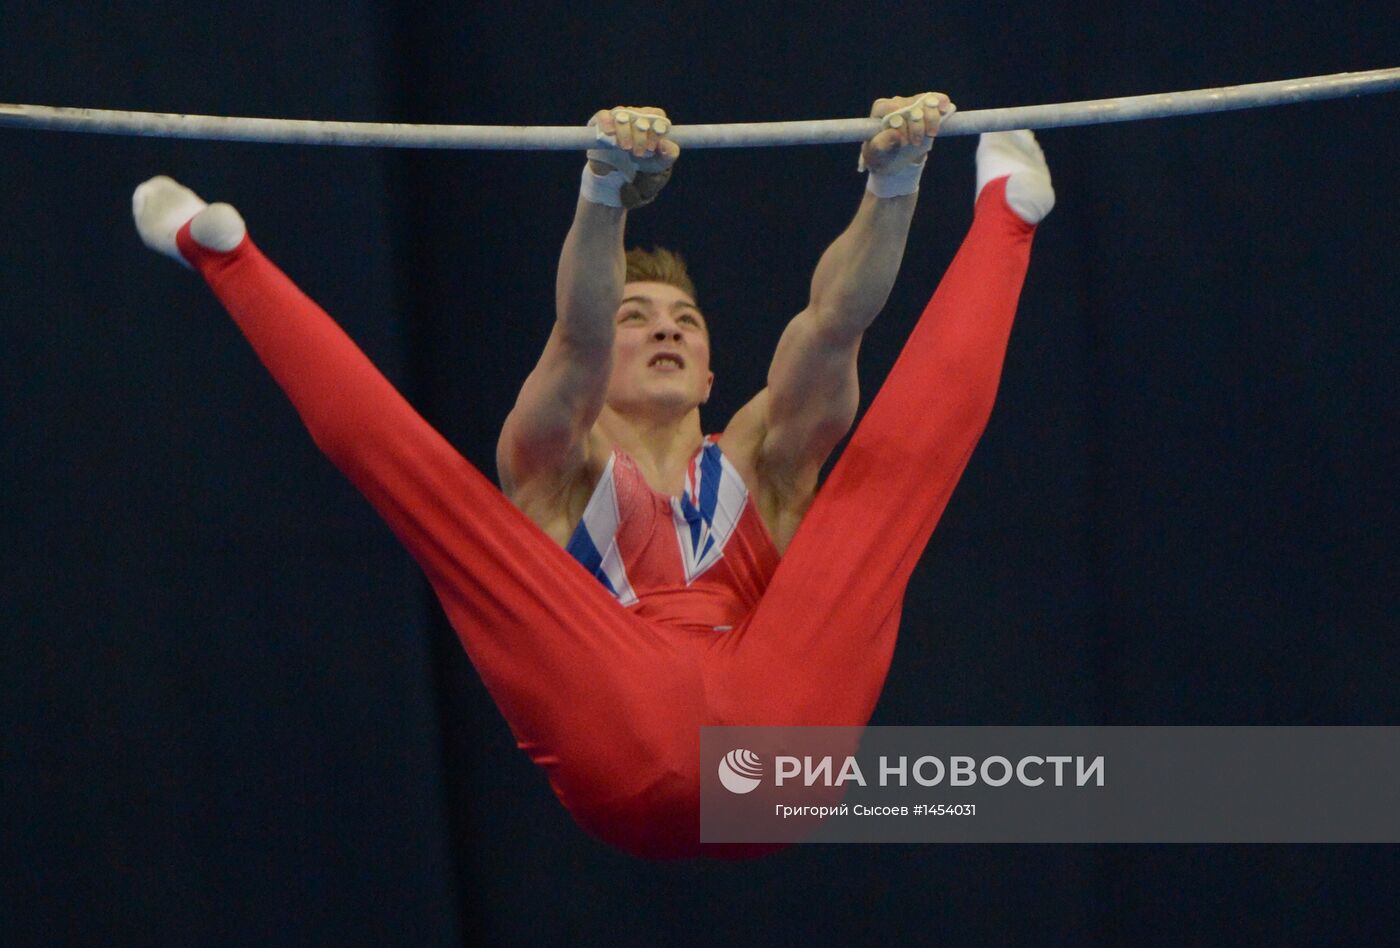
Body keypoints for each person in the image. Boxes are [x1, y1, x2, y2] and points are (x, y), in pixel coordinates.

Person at [131, 94, 1054, 859]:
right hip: (625, 735)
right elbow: (577, 338)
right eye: (640, 316)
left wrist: (893, 185)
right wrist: (604, 191)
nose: (666, 331)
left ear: (709, 375)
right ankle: (226, 257)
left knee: (883, 485)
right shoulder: (556, 466)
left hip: (781, 742)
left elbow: (833, 322)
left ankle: (1005, 215)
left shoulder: (764, 460)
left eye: (685, 322)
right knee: (427, 489)